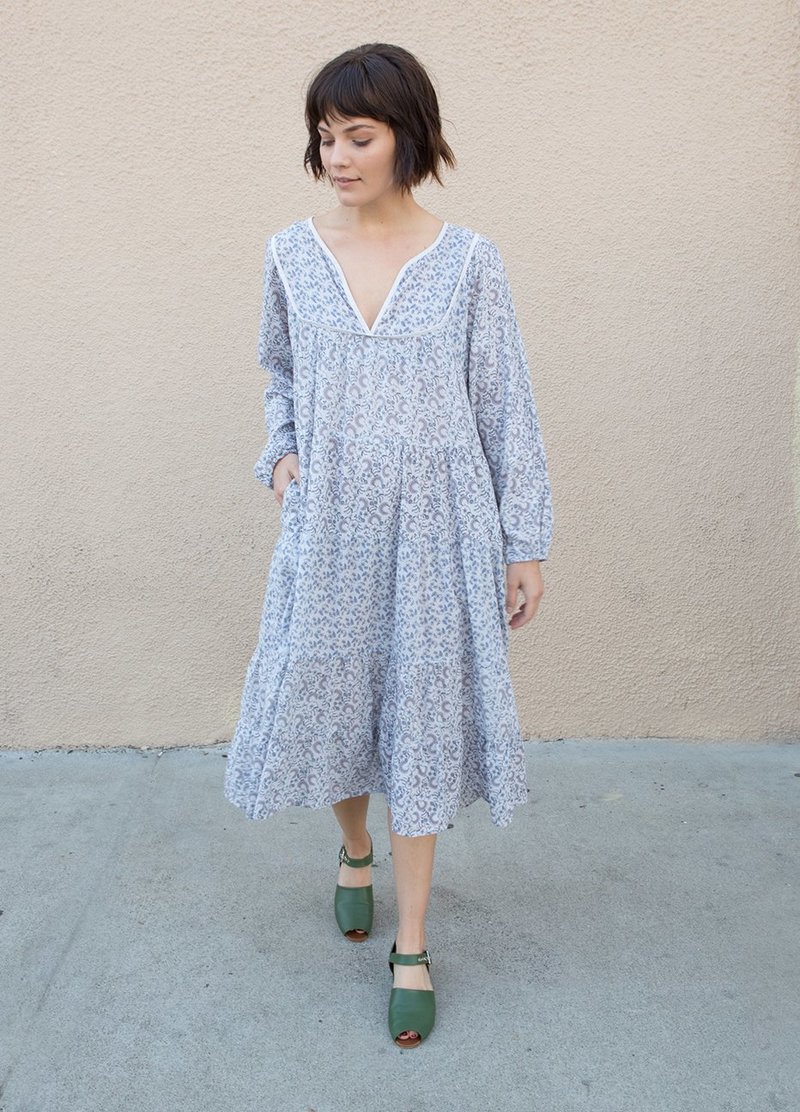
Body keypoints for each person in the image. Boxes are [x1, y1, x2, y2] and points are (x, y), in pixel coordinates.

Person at [224, 42, 554, 1049]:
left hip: (440, 532)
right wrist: (282, 454)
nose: (337, 156)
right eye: (325, 137)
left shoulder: (469, 262)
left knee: (420, 722)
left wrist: (524, 540)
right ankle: (353, 848)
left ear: (409, 136)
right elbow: (280, 372)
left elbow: (504, 405)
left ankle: (412, 941)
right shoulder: (291, 254)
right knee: (334, 705)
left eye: (357, 136)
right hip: (331, 528)